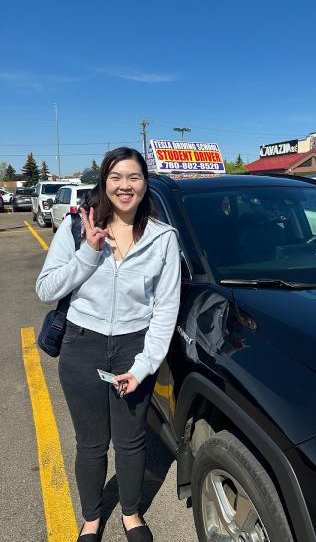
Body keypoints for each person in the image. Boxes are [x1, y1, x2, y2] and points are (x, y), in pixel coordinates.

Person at [36, 147, 181, 542]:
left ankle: (131, 513)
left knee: (131, 441)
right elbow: (45, 289)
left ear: (145, 184)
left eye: (133, 177)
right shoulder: (76, 229)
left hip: (134, 346)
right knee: (91, 442)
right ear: (104, 182)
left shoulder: (163, 239)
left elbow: (165, 310)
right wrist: (89, 252)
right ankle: (91, 518)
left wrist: (143, 365)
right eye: (116, 177)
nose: (124, 185)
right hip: (82, 346)